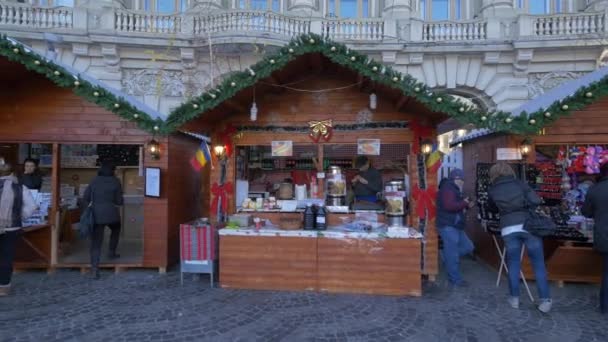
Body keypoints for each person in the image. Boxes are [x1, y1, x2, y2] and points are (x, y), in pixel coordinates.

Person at [487, 162, 552, 313]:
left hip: (508, 227)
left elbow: (491, 208)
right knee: (538, 264)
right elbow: (536, 200)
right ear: (510, 171)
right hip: (528, 226)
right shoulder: (520, 184)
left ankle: (514, 299)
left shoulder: (493, 189)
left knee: (514, 264)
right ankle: (545, 301)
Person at [0, 158, 37, 296]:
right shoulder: (20, 188)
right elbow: (32, 206)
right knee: (6, 257)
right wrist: (20, 216)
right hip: (12, 227)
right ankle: (3, 286)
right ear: (12, 174)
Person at [83, 162, 124, 280]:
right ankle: (111, 252)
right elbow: (119, 201)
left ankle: (95, 269)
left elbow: (86, 197)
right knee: (116, 229)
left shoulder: (94, 180)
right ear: (112, 170)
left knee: (96, 242)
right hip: (111, 214)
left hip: (96, 215)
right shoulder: (115, 181)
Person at [436, 168, 474, 288]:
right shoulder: (448, 188)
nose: (463, 182)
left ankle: (445, 255)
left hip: (454, 224)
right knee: (453, 254)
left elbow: (455, 206)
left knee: (468, 247)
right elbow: (449, 206)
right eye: (462, 179)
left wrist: (466, 205)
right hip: (448, 225)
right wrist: (465, 202)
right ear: (456, 178)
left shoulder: (452, 189)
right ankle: (455, 280)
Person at [582, 163, 608, 315]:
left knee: (606, 273)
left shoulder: (594, 189)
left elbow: (586, 212)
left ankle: (605, 307)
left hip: (604, 236)